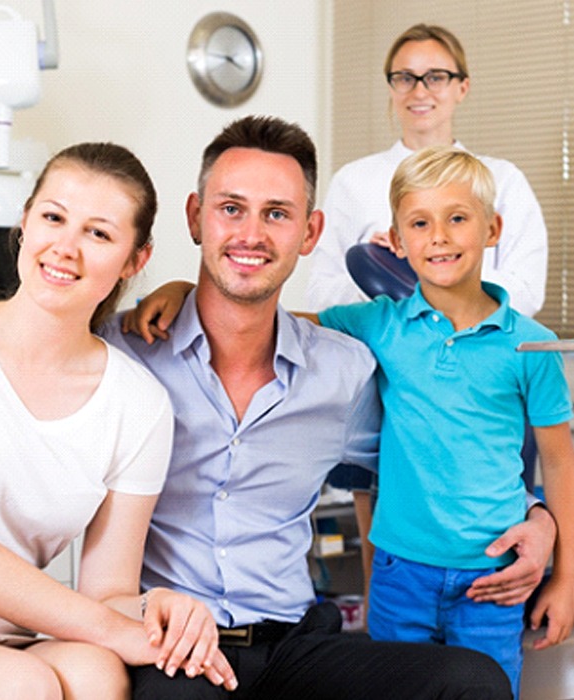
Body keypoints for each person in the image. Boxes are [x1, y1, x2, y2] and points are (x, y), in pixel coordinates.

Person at [105, 115, 519, 699]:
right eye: (231, 209)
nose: (252, 233)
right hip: (173, 643)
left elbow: (433, 451)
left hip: (296, 645)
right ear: (196, 215)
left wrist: (538, 515)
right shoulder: (127, 352)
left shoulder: (342, 372)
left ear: (310, 231)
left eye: (276, 213)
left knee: (470, 681)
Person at [0, 142, 234, 700]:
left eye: (99, 234)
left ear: (135, 261)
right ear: (25, 221)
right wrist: (119, 633)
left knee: (96, 673)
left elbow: (108, 592)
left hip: (4, 635)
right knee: (24, 685)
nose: (66, 248)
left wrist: (157, 606)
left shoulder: (139, 405)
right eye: (54, 218)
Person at [311, 145, 574, 698]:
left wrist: (568, 579)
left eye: (458, 218)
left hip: (495, 577)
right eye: (420, 224)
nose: (439, 237)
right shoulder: (377, 324)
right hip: (398, 576)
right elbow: (276, 324)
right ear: (399, 241)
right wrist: (182, 294)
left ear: (493, 228)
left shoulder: (532, 345)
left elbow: (559, 459)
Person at [306, 23, 547, 318]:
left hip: (473, 353)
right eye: (405, 78)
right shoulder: (352, 181)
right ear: (392, 87)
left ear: (462, 87)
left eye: (435, 77)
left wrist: (428, 268)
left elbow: (527, 292)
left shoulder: (504, 180)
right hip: (376, 358)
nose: (419, 91)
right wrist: (380, 270)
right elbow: (320, 296)